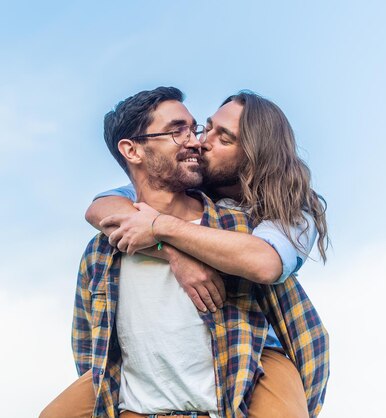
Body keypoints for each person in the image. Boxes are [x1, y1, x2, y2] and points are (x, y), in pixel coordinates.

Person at [40, 87, 328, 418]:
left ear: (252, 155)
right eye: (201, 128)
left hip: (259, 348)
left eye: (224, 139)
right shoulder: (168, 190)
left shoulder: (283, 211)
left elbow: (263, 262)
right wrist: (175, 255)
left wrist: (163, 229)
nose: (200, 141)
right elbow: (102, 208)